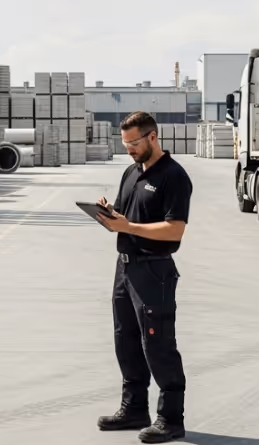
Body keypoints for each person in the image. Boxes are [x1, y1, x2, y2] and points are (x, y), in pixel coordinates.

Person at [94, 111, 192, 443]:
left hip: (154, 269)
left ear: (152, 137)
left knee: (158, 343)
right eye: (125, 144)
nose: (129, 150)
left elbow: (175, 229)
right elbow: (122, 216)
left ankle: (170, 418)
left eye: (134, 143)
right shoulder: (131, 173)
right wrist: (108, 215)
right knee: (126, 341)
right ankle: (135, 408)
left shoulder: (174, 176)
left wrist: (129, 227)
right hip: (124, 269)